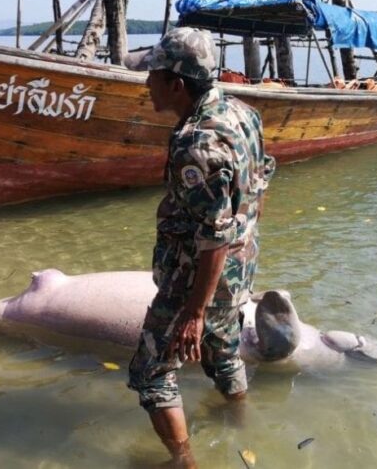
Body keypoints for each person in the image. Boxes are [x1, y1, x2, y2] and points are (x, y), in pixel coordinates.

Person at [124, 27, 275, 467]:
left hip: (195, 281)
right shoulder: (242, 113)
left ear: (177, 84)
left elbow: (213, 236)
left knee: (151, 374)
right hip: (237, 272)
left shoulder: (197, 142)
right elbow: (262, 178)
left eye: (152, 74)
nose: (146, 82)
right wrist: (244, 244)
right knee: (223, 351)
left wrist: (193, 310)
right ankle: (242, 421)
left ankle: (185, 462)